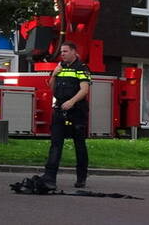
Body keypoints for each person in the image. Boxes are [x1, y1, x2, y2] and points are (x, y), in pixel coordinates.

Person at [41, 41, 91, 191]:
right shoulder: (59, 67)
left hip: (77, 111)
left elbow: (85, 89)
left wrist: (72, 101)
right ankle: (50, 178)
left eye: (65, 51)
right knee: (55, 144)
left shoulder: (81, 68)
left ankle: (81, 178)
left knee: (79, 145)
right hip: (59, 110)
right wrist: (54, 74)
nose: (62, 54)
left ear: (74, 52)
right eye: (61, 52)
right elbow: (51, 86)